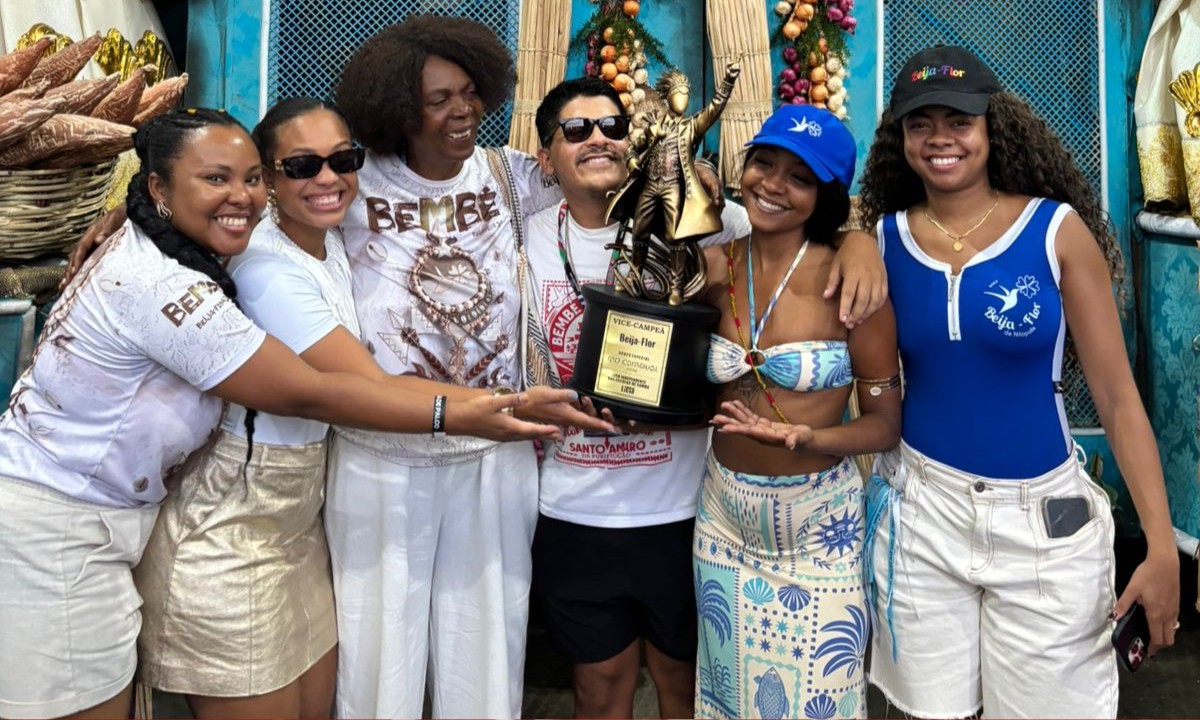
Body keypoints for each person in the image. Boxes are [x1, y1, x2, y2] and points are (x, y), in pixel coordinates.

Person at [0, 108, 579, 720]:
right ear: (159, 187)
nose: (243, 194)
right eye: (299, 167)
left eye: (343, 160)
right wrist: (483, 412)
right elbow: (317, 392)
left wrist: (133, 210)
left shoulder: (302, 233)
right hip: (88, 524)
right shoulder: (184, 281)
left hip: (266, 527)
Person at [857, 45, 1180, 718]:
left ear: (991, 126)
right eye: (921, 124)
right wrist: (851, 236)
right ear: (900, 137)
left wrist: (1160, 546)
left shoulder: (1054, 231)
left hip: (1043, 526)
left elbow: (1117, 398)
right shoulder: (880, 242)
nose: (940, 138)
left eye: (959, 121)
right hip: (922, 514)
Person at [525, 77, 750, 719]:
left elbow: (792, 229)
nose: (598, 138)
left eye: (613, 126)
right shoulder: (526, 233)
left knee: (683, 682)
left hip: (684, 509)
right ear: (546, 160)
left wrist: (855, 244)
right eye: (576, 130)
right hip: (574, 510)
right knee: (599, 687)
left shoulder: (708, 219)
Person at [693, 104, 901, 720]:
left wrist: (810, 437)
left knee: (821, 701)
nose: (774, 185)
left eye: (800, 177)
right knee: (727, 698)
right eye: (764, 163)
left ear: (825, 195)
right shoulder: (714, 267)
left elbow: (886, 424)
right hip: (723, 519)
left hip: (819, 528)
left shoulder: (851, 283)